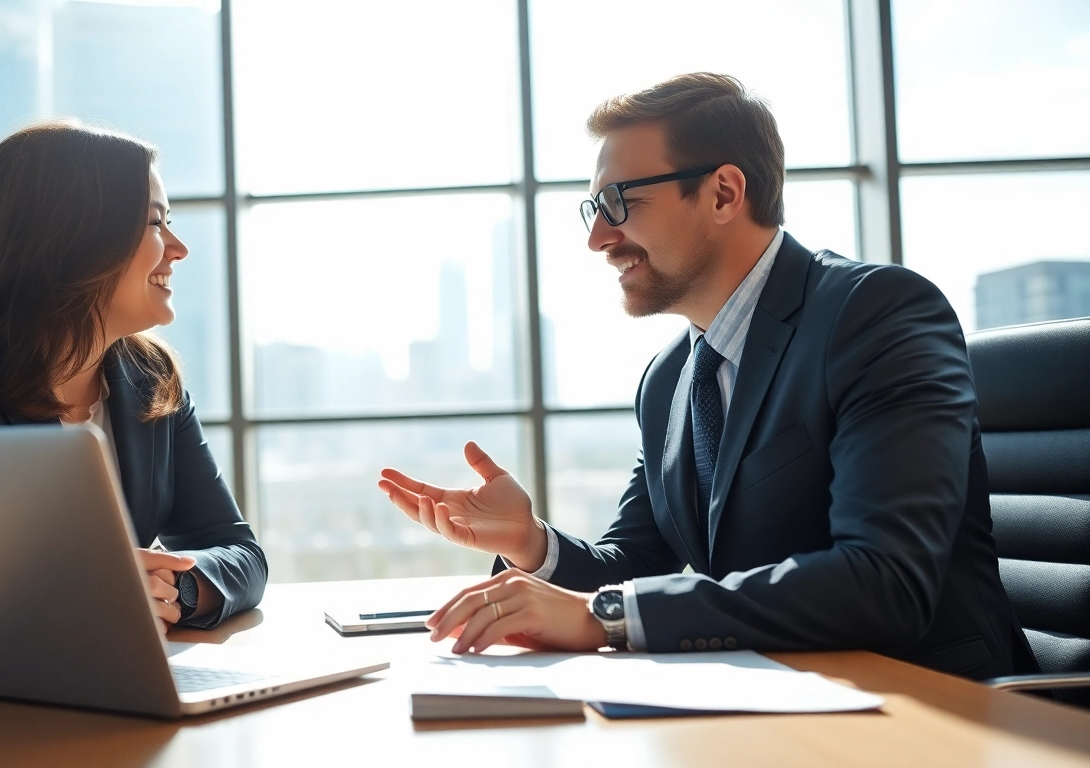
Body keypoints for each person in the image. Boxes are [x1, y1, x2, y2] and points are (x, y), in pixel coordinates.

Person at [377, 73, 1035, 679]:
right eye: (592, 209)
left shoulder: (876, 314)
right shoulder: (670, 379)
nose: (597, 237)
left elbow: (886, 582)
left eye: (618, 202)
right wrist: (531, 542)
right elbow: (635, 565)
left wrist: (606, 617)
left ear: (723, 193)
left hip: (934, 709)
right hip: (771, 705)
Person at [0, 121, 266, 634]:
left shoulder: (151, 377)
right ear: (74, 235)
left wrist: (172, 589)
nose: (178, 248)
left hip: (117, 664)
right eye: (155, 223)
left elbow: (241, 555)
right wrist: (94, 589)